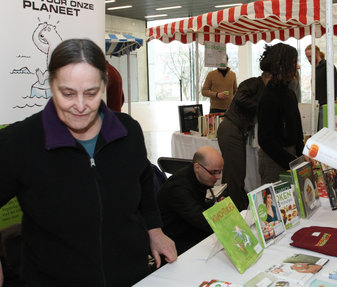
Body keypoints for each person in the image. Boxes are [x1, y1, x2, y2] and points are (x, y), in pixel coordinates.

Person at [0, 39, 177, 286]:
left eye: (91, 93)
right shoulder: (19, 141)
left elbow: (144, 186)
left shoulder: (128, 131)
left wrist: (154, 230)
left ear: (104, 85)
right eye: (68, 93)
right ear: (52, 85)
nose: (80, 106)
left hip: (131, 275)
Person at [216, 71, 271, 211]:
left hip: (236, 131)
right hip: (231, 129)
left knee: (237, 175)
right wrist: (263, 107)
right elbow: (240, 98)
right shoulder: (253, 83)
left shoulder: (259, 87)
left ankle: (237, 208)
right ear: (269, 76)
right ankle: (233, 211)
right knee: (233, 176)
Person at [156, 145, 224, 255]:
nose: (218, 177)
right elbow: (201, 220)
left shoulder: (196, 176)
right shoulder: (178, 188)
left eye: (220, 172)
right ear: (197, 167)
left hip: (186, 225)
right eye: (214, 172)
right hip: (172, 237)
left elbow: (197, 208)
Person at [257, 43, 304, 184]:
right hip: (274, 161)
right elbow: (265, 140)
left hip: (289, 158)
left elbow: (296, 128)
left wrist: (301, 154)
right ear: (283, 65)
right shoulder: (269, 96)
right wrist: (292, 162)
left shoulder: (289, 93)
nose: (297, 66)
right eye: (294, 62)